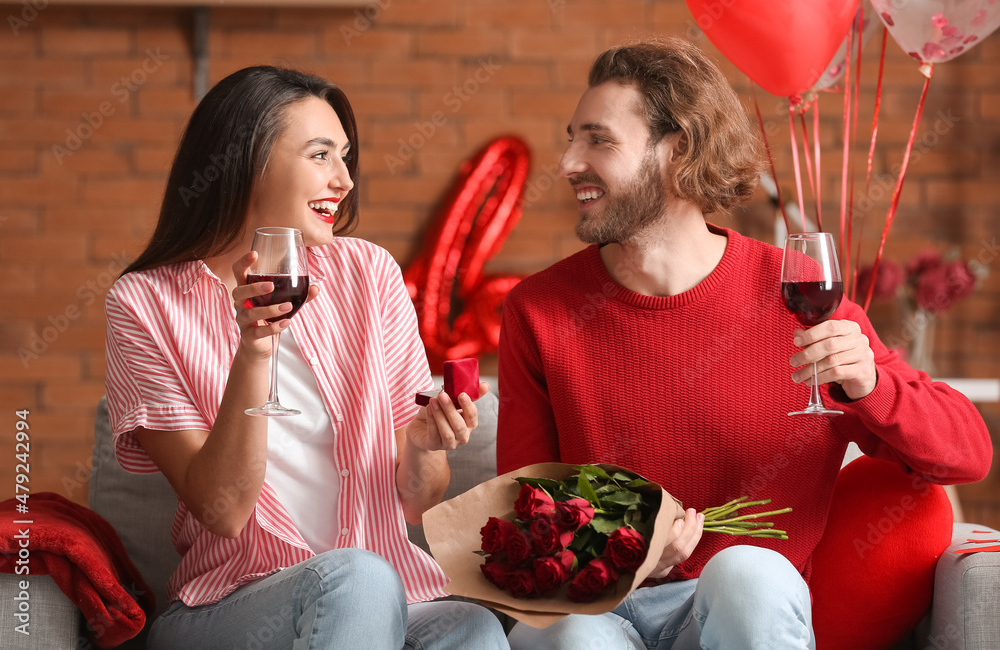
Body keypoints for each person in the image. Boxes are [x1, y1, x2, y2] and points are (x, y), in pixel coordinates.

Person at [496, 38, 992, 649]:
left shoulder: (797, 290)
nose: (570, 161)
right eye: (572, 138)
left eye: (598, 140)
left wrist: (872, 385)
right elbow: (525, 521)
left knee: (746, 570)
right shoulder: (538, 310)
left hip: (733, 613)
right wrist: (634, 558)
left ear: (677, 149)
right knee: (575, 638)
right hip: (596, 607)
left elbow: (966, 455)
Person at [105, 66, 509, 649]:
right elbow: (222, 511)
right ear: (245, 160)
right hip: (230, 608)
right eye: (320, 155)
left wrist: (421, 445)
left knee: (471, 628)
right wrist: (254, 350)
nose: (343, 180)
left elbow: (418, 501)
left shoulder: (368, 274)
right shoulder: (144, 304)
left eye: (345, 157)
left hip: (381, 594)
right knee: (358, 577)